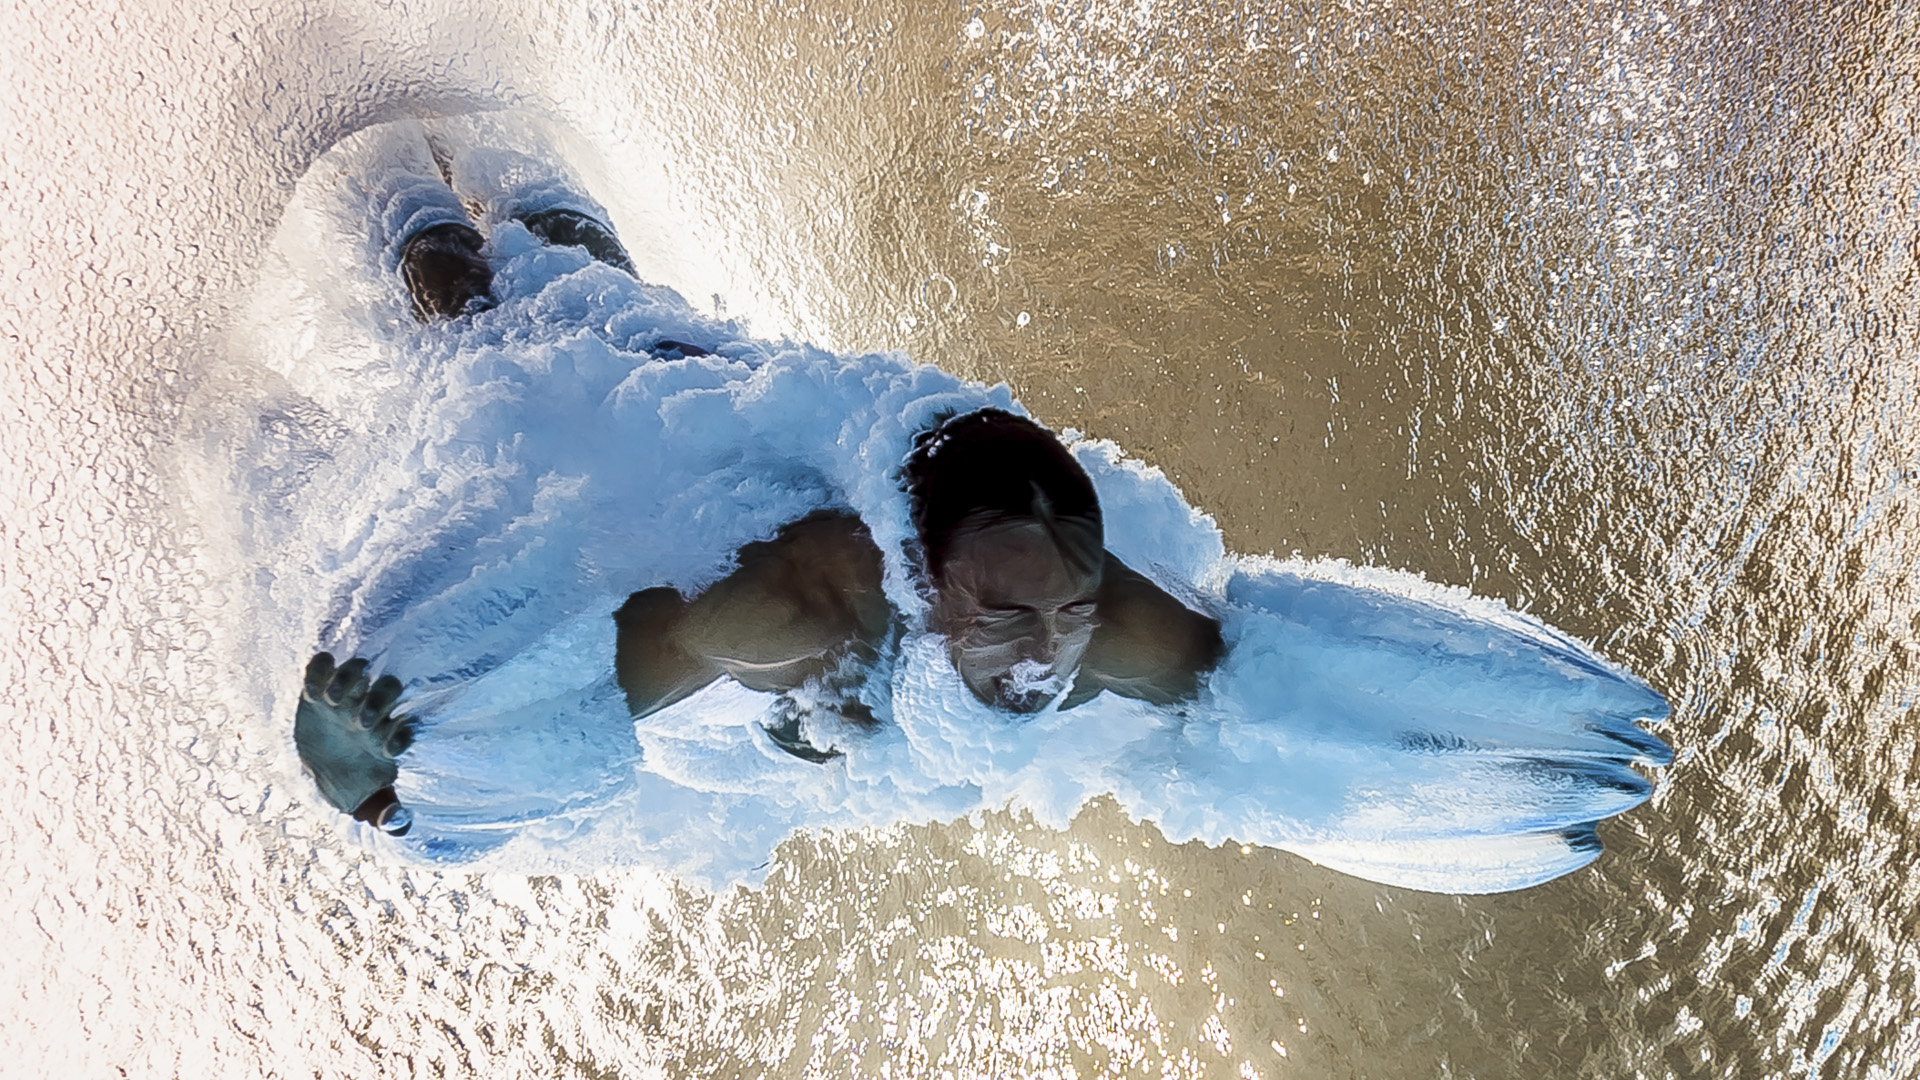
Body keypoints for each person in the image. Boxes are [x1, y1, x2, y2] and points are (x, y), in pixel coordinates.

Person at [294, 158, 1223, 836]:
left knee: (592, 266)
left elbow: (1290, 695)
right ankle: (387, 175)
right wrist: (364, 784)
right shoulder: (793, 607)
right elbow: (566, 704)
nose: (1044, 648)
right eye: (1006, 612)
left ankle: (512, 160)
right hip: (636, 432)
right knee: (478, 307)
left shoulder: (1102, 628)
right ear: (915, 576)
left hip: (726, 385)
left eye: (1070, 606)